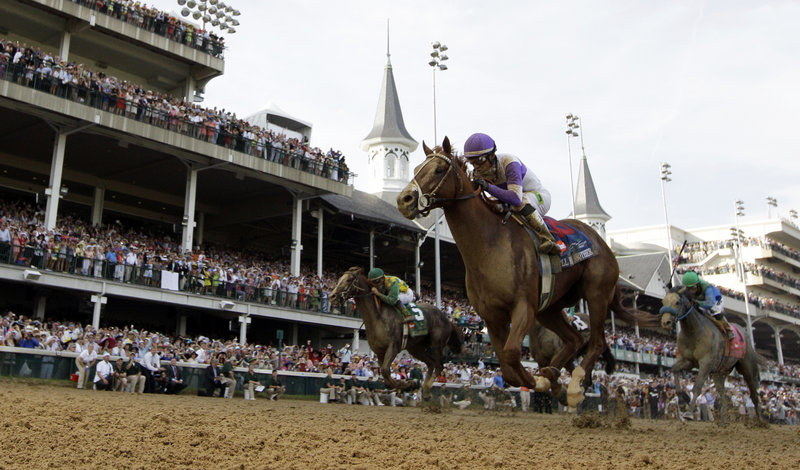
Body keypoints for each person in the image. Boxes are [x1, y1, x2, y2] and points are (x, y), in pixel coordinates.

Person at [462, 132, 560, 254]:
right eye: (472, 162)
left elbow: (515, 199)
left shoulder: (510, 162)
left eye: (480, 160)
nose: (477, 167)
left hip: (538, 197)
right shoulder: (476, 173)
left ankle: (548, 239)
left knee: (521, 202)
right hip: (511, 200)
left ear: (492, 156)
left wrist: (488, 187)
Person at [681, 271, 734, 340]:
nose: (691, 291)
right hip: (700, 300)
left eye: (693, 288)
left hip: (715, 300)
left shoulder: (707, 288)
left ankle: (729, 330)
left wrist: (698, 303)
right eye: (688, 289)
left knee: (716, 313)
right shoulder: (687, 285)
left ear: (698, 285)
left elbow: (710, 303)